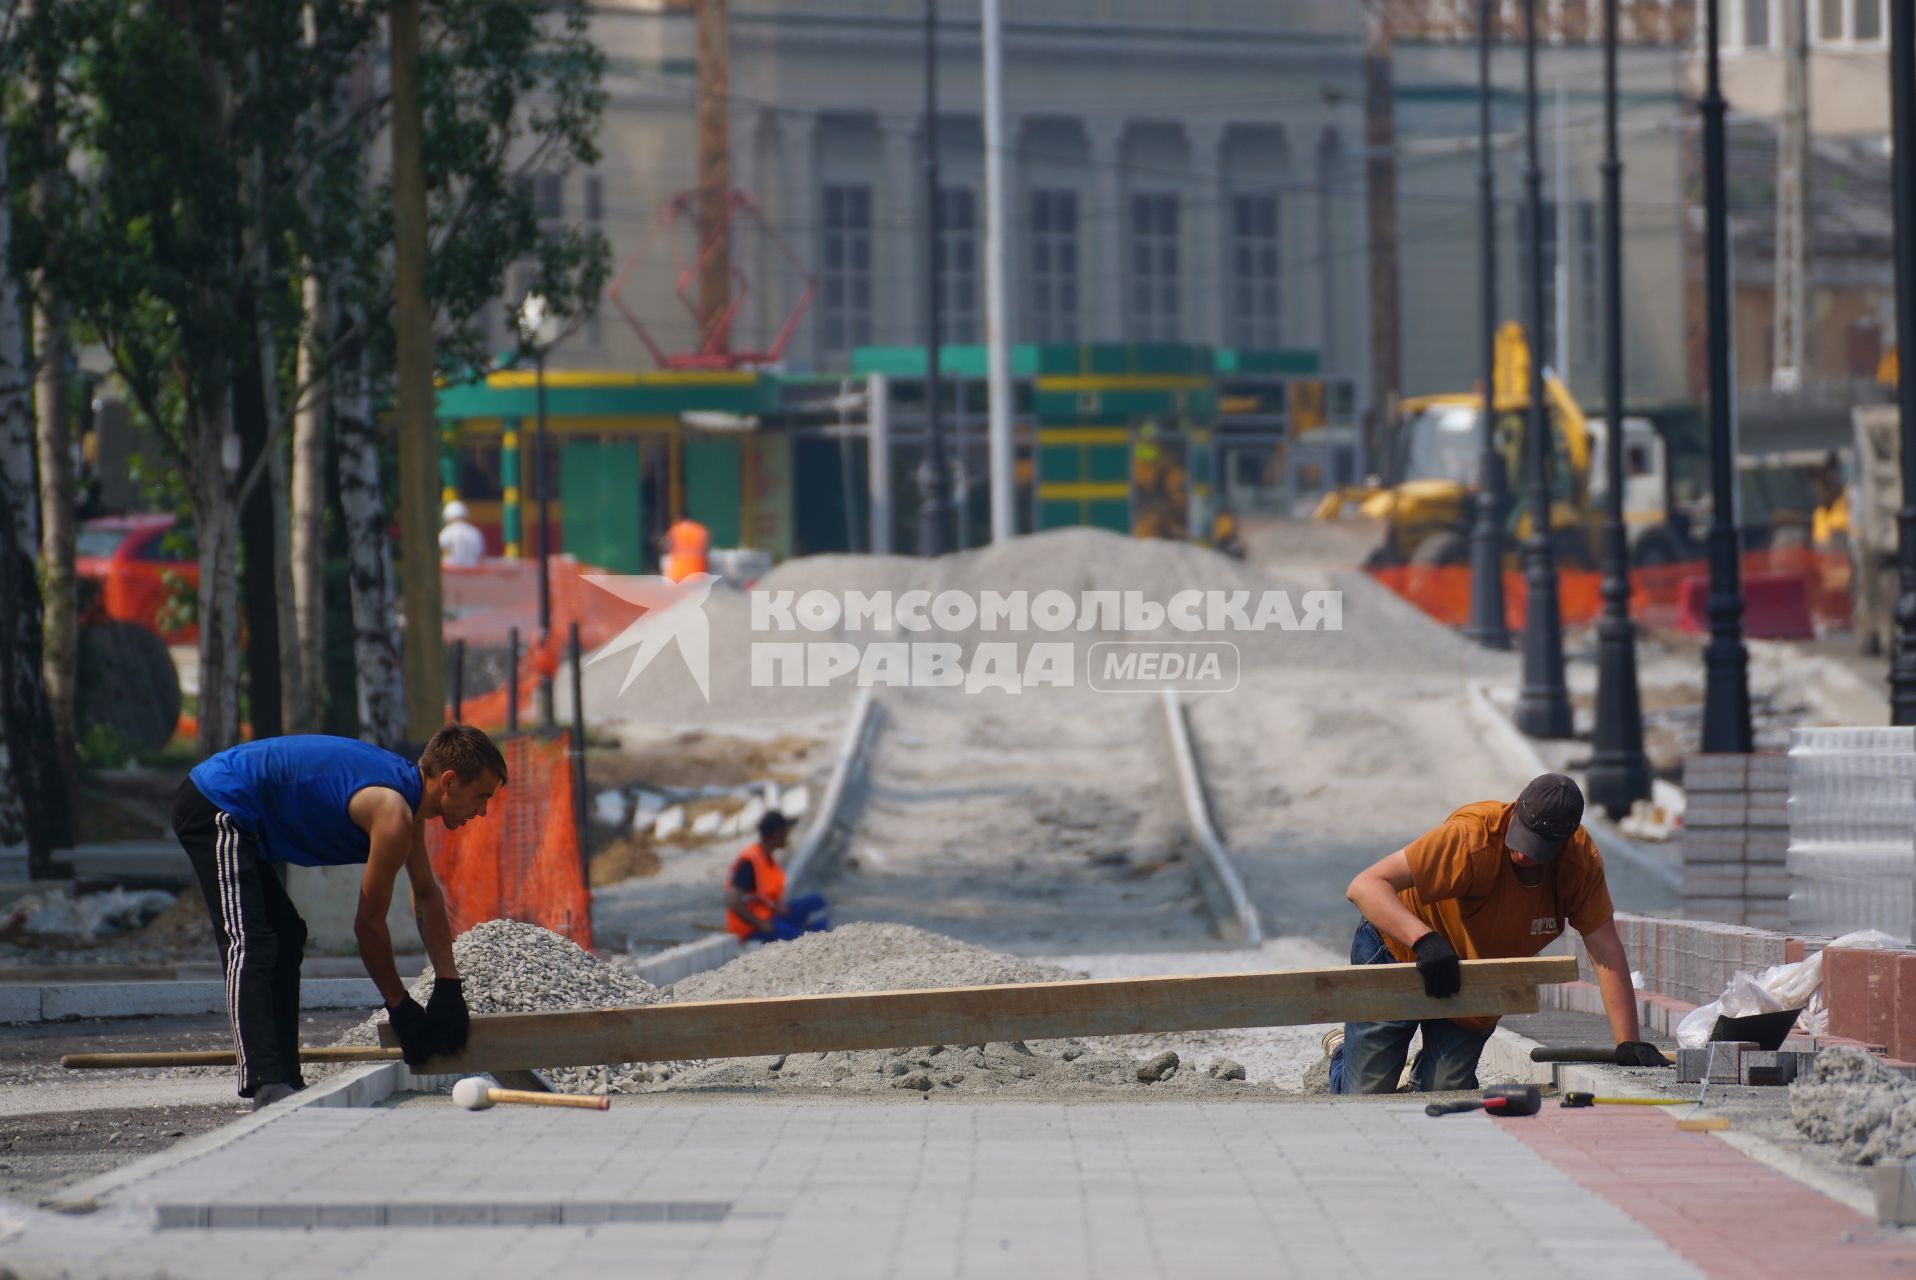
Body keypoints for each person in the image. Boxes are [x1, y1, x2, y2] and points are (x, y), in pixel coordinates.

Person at [170, 725, 507, 1108]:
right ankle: (265, 1081)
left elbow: (426, 895)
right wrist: (401, 1008)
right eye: (481, 797)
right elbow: (367, 926)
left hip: (241, 811)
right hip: (218, 801)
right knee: (250, 942)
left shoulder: (409, 806)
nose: (482, 811)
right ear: (448, 781)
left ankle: (285, 1079)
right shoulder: (393, 813)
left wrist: (449, 985)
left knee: (286, 934)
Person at [1326, 773, 1662, 1094]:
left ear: (1563, 844)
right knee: (1365, 1091)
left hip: (1473, 973)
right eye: (1520, 839)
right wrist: (1424, 940)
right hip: (1398, 948)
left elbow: (1604, 950)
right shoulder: (1471, 838)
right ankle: (1344, 1050)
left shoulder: (1579, 865)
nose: (1521, 853)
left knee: (1444, 1088)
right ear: (1515, 808)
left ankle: (1424, 1067)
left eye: (1536, 850)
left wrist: (1628, 1041)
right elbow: (1365, 886)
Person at [724, 811, 829, 943]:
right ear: (777, 833)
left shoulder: (766, 859)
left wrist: (775, 908)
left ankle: (822, 941)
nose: (788, 835)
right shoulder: (750, 861)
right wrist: (760, 923)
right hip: (753, 927)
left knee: (816, 902)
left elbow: (762, 895)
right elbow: (732, 900)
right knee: (802, 941)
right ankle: (815, 946)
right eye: (786, 831)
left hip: (770, 916)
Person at [661, 516, 710, 583]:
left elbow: (667, 545)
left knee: (665, 560)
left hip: (679, 572)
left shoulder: (676, 529)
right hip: (698, 570)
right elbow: (706, 547)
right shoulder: (700, 529)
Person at [439, 499, 485, 567]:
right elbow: (480, 555)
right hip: (472, 571)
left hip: (453, 571)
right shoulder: (474, 532)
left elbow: (440, 549)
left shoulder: (447, 531)